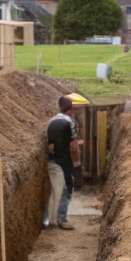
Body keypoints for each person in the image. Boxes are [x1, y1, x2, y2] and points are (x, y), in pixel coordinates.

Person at [45, 95, 77, 230]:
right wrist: (77, 162)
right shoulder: (69, 122)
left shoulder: (51, 121)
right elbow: (74, 146)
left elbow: (49, 143)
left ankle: (50, 220)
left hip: (51, 161)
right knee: (66, 190)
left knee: (55, 191)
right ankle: (61, 219)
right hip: (64, 161)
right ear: (71, 109)